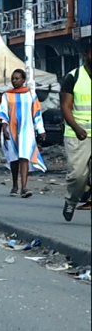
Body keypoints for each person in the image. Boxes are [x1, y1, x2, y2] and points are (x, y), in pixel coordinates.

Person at [0, 69, 46, 198]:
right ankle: (15, 185)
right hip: (11, 129)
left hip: (27, 129)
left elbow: (36, 113)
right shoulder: (6, 95)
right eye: (13, 78)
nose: (14, 81)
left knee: (24, 156)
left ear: (23, 79)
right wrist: (4, 127)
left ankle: (24, 187)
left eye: (17, 78)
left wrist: (40, 129)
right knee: (14, 157)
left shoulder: (31, 94)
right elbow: (3, 112)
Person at [60, 41, 91, 221]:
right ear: (86, 55)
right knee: (78, 176)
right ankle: (71, 201)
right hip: (78, 136)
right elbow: (65, 106)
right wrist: (77, 128)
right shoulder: (74, 77)